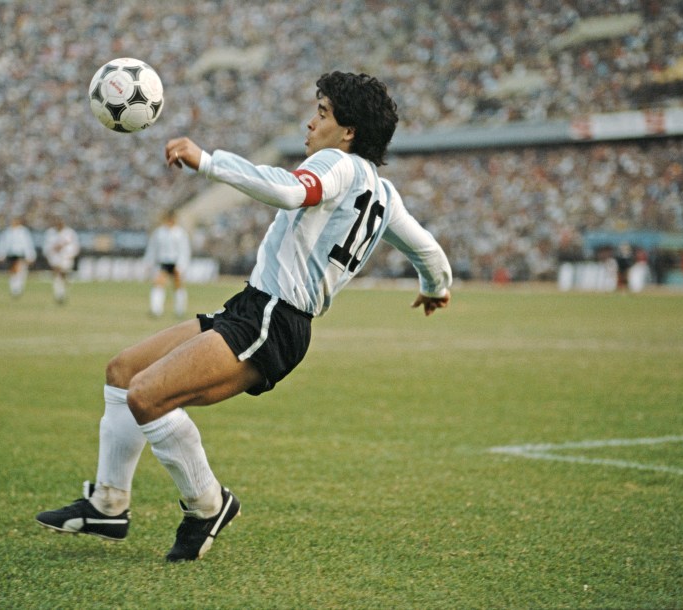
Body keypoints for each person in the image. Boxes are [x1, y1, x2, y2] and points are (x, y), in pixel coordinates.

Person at [35, 72, 452, 562]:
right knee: (123, 372)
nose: (310, 122)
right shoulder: (385, 195)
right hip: (254, 307)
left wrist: (208, 162)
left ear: (348, 132)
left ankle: (206, 505)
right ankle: (108, 503)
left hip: (274, 319)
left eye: (321, 112)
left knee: (147, 395)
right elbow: (428, 250)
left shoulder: (336, 163)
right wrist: (435, 288)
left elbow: (294, 192)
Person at [144, 210, 191, 317]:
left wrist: (181, 265)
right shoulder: (159, 232)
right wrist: (149, 261)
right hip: (163, 262)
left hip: (176, 263)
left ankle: (180, 310)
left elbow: (184, 250)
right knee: (158, 284)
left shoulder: (180, 233)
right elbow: (152, 248)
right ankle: (156, 310)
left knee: (178, 286)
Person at [0, 216, 37, 298]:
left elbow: (28, 244)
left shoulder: (23, 231)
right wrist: (0, 254)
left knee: (21, 272)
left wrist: (30, 255)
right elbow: (3, 244)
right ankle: (14, 288)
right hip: (12, 254)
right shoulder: (8, 232)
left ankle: (18, 288)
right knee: (13, 272)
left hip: (21, 254)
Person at [44, 217, 80, 304]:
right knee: (57, 276)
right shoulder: (50, 233)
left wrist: (71, 255)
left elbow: (75, 246)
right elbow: (46, 247)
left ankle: (63, 291)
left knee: (63, 275)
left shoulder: (70, 233)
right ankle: (59, 295)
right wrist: (50, 256)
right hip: (55, 259)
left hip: (66, 259)